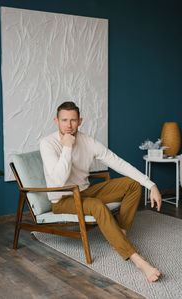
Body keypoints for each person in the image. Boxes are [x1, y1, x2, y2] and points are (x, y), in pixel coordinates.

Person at [40, 101, 162, 282]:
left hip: (85, 192)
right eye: (64, 120)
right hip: (62, 200)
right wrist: (67, 147)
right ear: (56, 122)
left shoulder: (88, 141)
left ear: (80, 121)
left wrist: (151, 185)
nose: (68, 125)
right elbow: (58, 181)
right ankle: (137, 260)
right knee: (97, 206)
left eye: (73, 120)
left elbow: (118, 162)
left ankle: (121, 232)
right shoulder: (47, 143)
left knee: (132, 184)